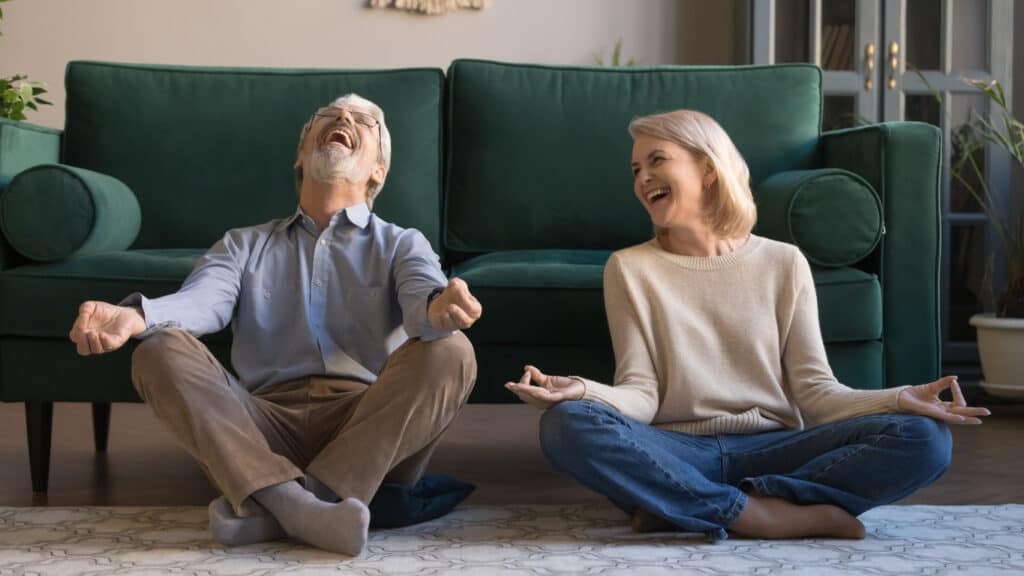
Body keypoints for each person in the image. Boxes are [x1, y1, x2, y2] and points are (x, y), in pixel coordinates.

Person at [505, 109, 989, 542]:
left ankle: (680, 505)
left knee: (925, 438)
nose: (642, 178)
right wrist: (582, 391)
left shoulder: (783, 262)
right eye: (636, 170)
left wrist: (899, 398)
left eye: (657, 161)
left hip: (776, 446)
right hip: (676, 448)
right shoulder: (630, 268)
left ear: (708, 169)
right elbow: (642, 394)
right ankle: (765, 517)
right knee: (566, 424)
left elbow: (816, 392)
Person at [69, 94, 481, 556]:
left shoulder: (403, 243)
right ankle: (304, 510)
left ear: (378, 171)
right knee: (156, 349)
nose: (344, 117)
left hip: (368, 429)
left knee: (452, 350)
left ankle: (276, 505)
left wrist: (439, 308)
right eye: (330, 114)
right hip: (259, 427)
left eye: (364, 120)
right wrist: (137, 316)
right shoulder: (243, 244)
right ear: (301, 156)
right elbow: (202, 302)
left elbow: (423, 296)